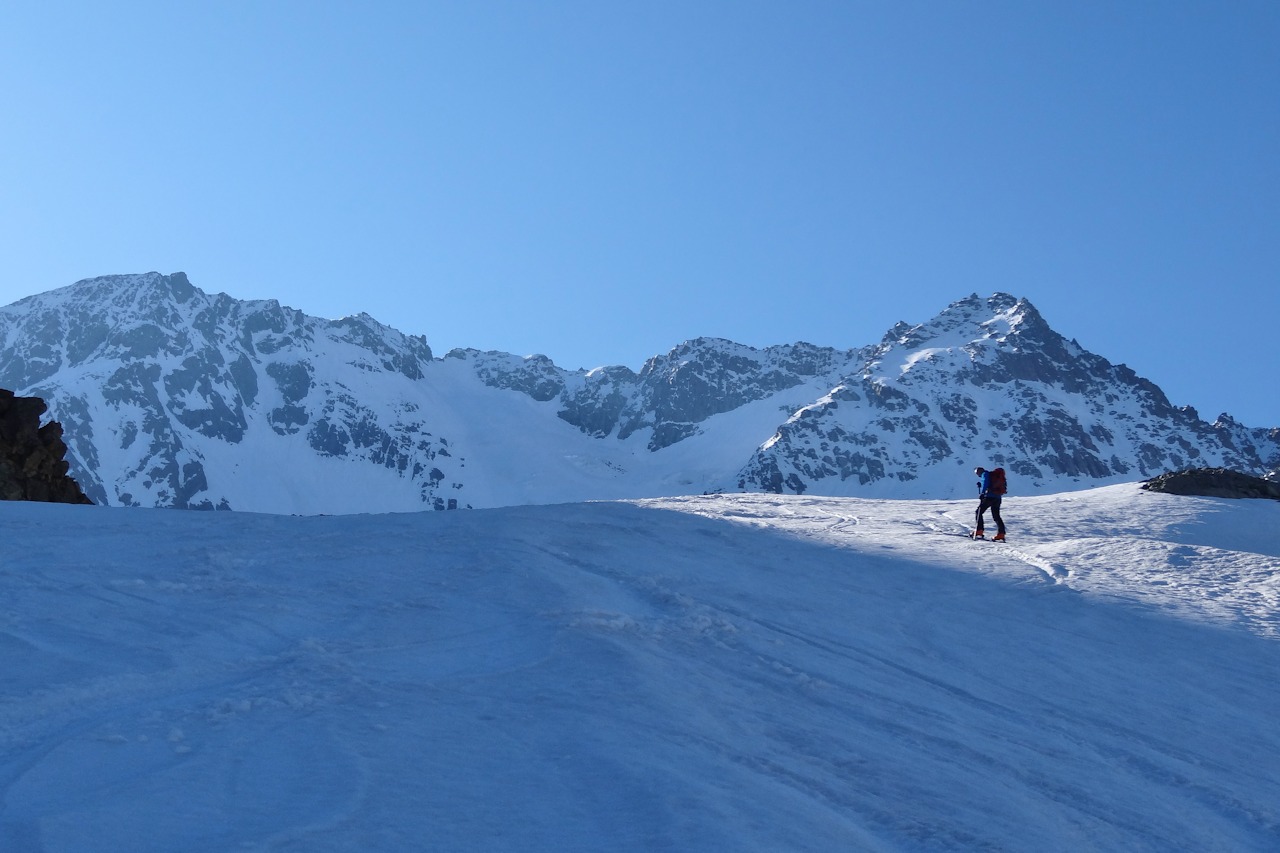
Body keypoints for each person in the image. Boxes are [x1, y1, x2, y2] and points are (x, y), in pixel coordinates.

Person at [972, 466, 1007, 541]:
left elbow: (986, 483)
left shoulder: (985, 474)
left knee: (978, 512)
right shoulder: (996, 476)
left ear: (979, 471)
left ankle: (979, 530)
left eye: (976, 472)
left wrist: (982, 493)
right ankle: (1001, 534)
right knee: (996, 516)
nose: (977, 474)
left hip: (989, 497)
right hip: (998, 498)